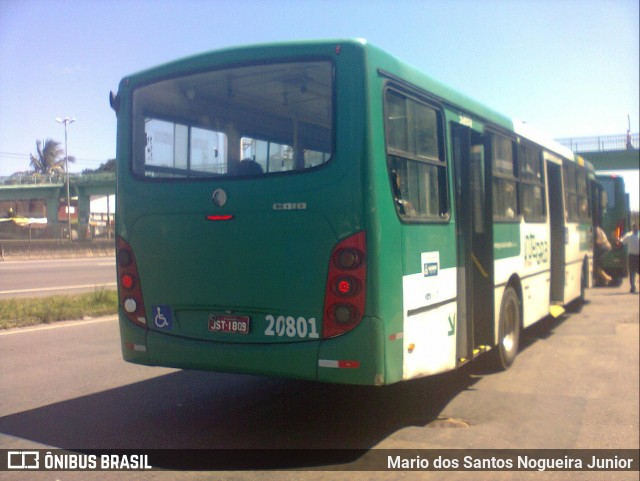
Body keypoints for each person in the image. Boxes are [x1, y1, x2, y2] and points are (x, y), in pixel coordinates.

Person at [620, 223, 639, 293]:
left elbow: (622, 242)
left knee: (632, 272)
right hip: (637, 256)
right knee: (632, 272)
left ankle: (633, 287)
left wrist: (619, 239)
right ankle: (633, 287)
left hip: (632, 257)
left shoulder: (629, 237)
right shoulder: (631, 237)